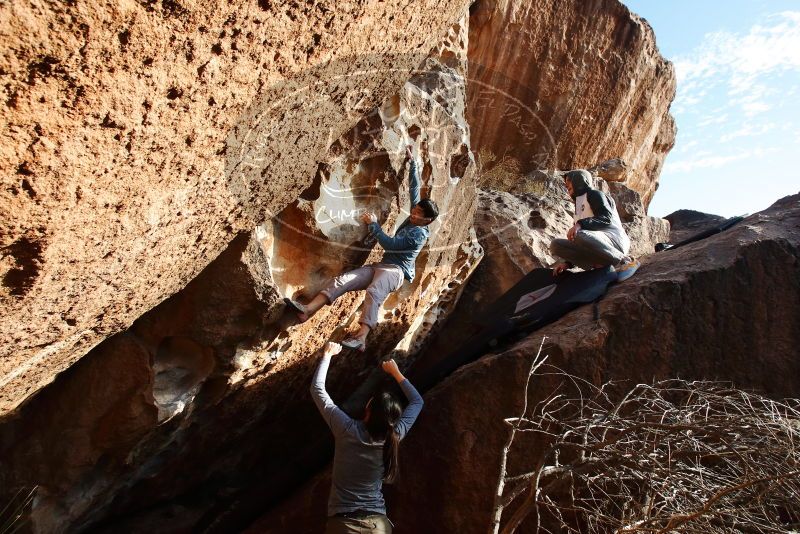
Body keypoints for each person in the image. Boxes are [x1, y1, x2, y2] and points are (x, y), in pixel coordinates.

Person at [285, 146, 439, 351]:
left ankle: (361, 338)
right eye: (415, 210)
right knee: (343, 280)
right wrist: (412, 162)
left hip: (395, 272)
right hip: (381, 266)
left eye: (419, 214)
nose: (414, 214)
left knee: (374, 292)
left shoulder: (418, 234)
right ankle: (306, 310)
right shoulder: (416, 216)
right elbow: (414, 188)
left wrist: (373, 224)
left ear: (427, 221)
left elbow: (390, 244)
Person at [311, 341, 424, 534]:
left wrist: (327, 355)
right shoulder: (394, 436)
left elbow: (317, 390)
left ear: (368, 409)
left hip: (344, 524)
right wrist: (396, 373)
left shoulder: (346, 429)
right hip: (377, 525)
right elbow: (417, 401)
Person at [550, 169, 640, 281]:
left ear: (580, 179)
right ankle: (600, 266)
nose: (566, 184)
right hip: (598, 248)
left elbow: (605, 218)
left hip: (613, 241)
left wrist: (579, 225)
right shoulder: (578, 208)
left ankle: (626, 261)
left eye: (569, 180)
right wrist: (567, 263)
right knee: (556, 244)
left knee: (579, 235)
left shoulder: (595, 194)